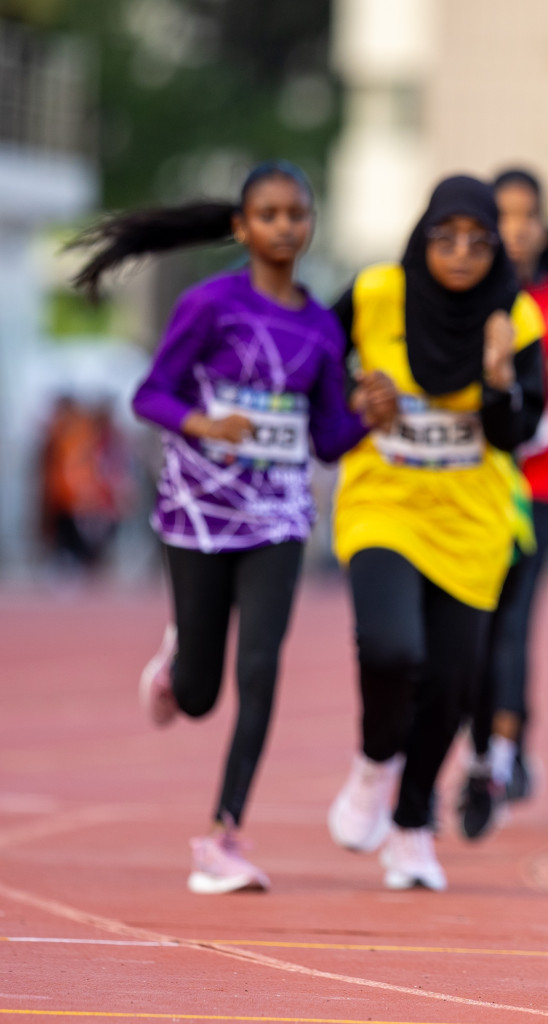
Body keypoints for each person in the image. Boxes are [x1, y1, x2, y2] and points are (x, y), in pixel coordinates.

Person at [69, 160, 397, 894]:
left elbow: (323, 438)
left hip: (279, 520)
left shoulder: (318, 326)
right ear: (242, 228)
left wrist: (367, 421)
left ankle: (223, 837)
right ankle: (178, 655)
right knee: (198, 694)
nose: (286, 226)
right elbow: (149, 395)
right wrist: (205, 423)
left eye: (298, 214)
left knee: (260, 672)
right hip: (198, 514)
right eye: (271, 214)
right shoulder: (209, 305)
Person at [326, 175, 546, 891]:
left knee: (451, 686)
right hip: (383, 501)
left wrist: (495, 373)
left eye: (478, 242)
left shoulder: (516, 315)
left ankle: (413, 825)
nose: (460, 254)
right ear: (422, 237)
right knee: (393, 648)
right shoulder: (373, 293)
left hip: (470, 517)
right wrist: (355, 392)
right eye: (444, 238)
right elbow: (313, 365)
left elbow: (518, 433)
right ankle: (372, 764)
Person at [455, 168, 548, 839]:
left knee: (511, 621)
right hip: (466, 485)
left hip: (542, 488)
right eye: (504, 215)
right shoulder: (458, 297)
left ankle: (498, 756)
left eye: (528, 216)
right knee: (469, 631)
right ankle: (488, 744)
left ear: (544, 227)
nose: (517, 228)